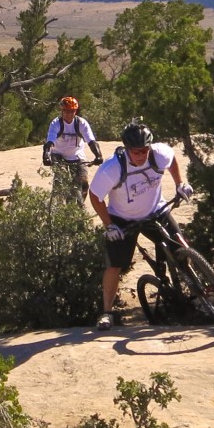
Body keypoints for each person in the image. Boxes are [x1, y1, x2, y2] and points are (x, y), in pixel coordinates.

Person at [87, 122, 192, 330]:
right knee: (115, 265)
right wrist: (109, 225)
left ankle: (195, 287)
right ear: (127, 149)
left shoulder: (158, 154)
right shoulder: (112, 168)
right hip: (122, 219)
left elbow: (171, 159)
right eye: (136, 152)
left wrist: (180, 183)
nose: (141, 155)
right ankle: (107, 313)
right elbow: (95, 195)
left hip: (156, 210)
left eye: (145, 150)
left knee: (181, 248)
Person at [42, 96, 102, 188]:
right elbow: (50, 142)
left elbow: (91, 141)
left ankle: (79, 198)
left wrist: (98, 155)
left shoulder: (81, 123)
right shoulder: (56, 123)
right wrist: (46, 156)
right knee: (60, 181)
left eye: (72, 111)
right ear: (62, 110)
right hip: (58, 155)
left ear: (75, 111)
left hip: (77, 156)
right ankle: (57, 196)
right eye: (66, 111)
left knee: (83, 184)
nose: (69, 114)